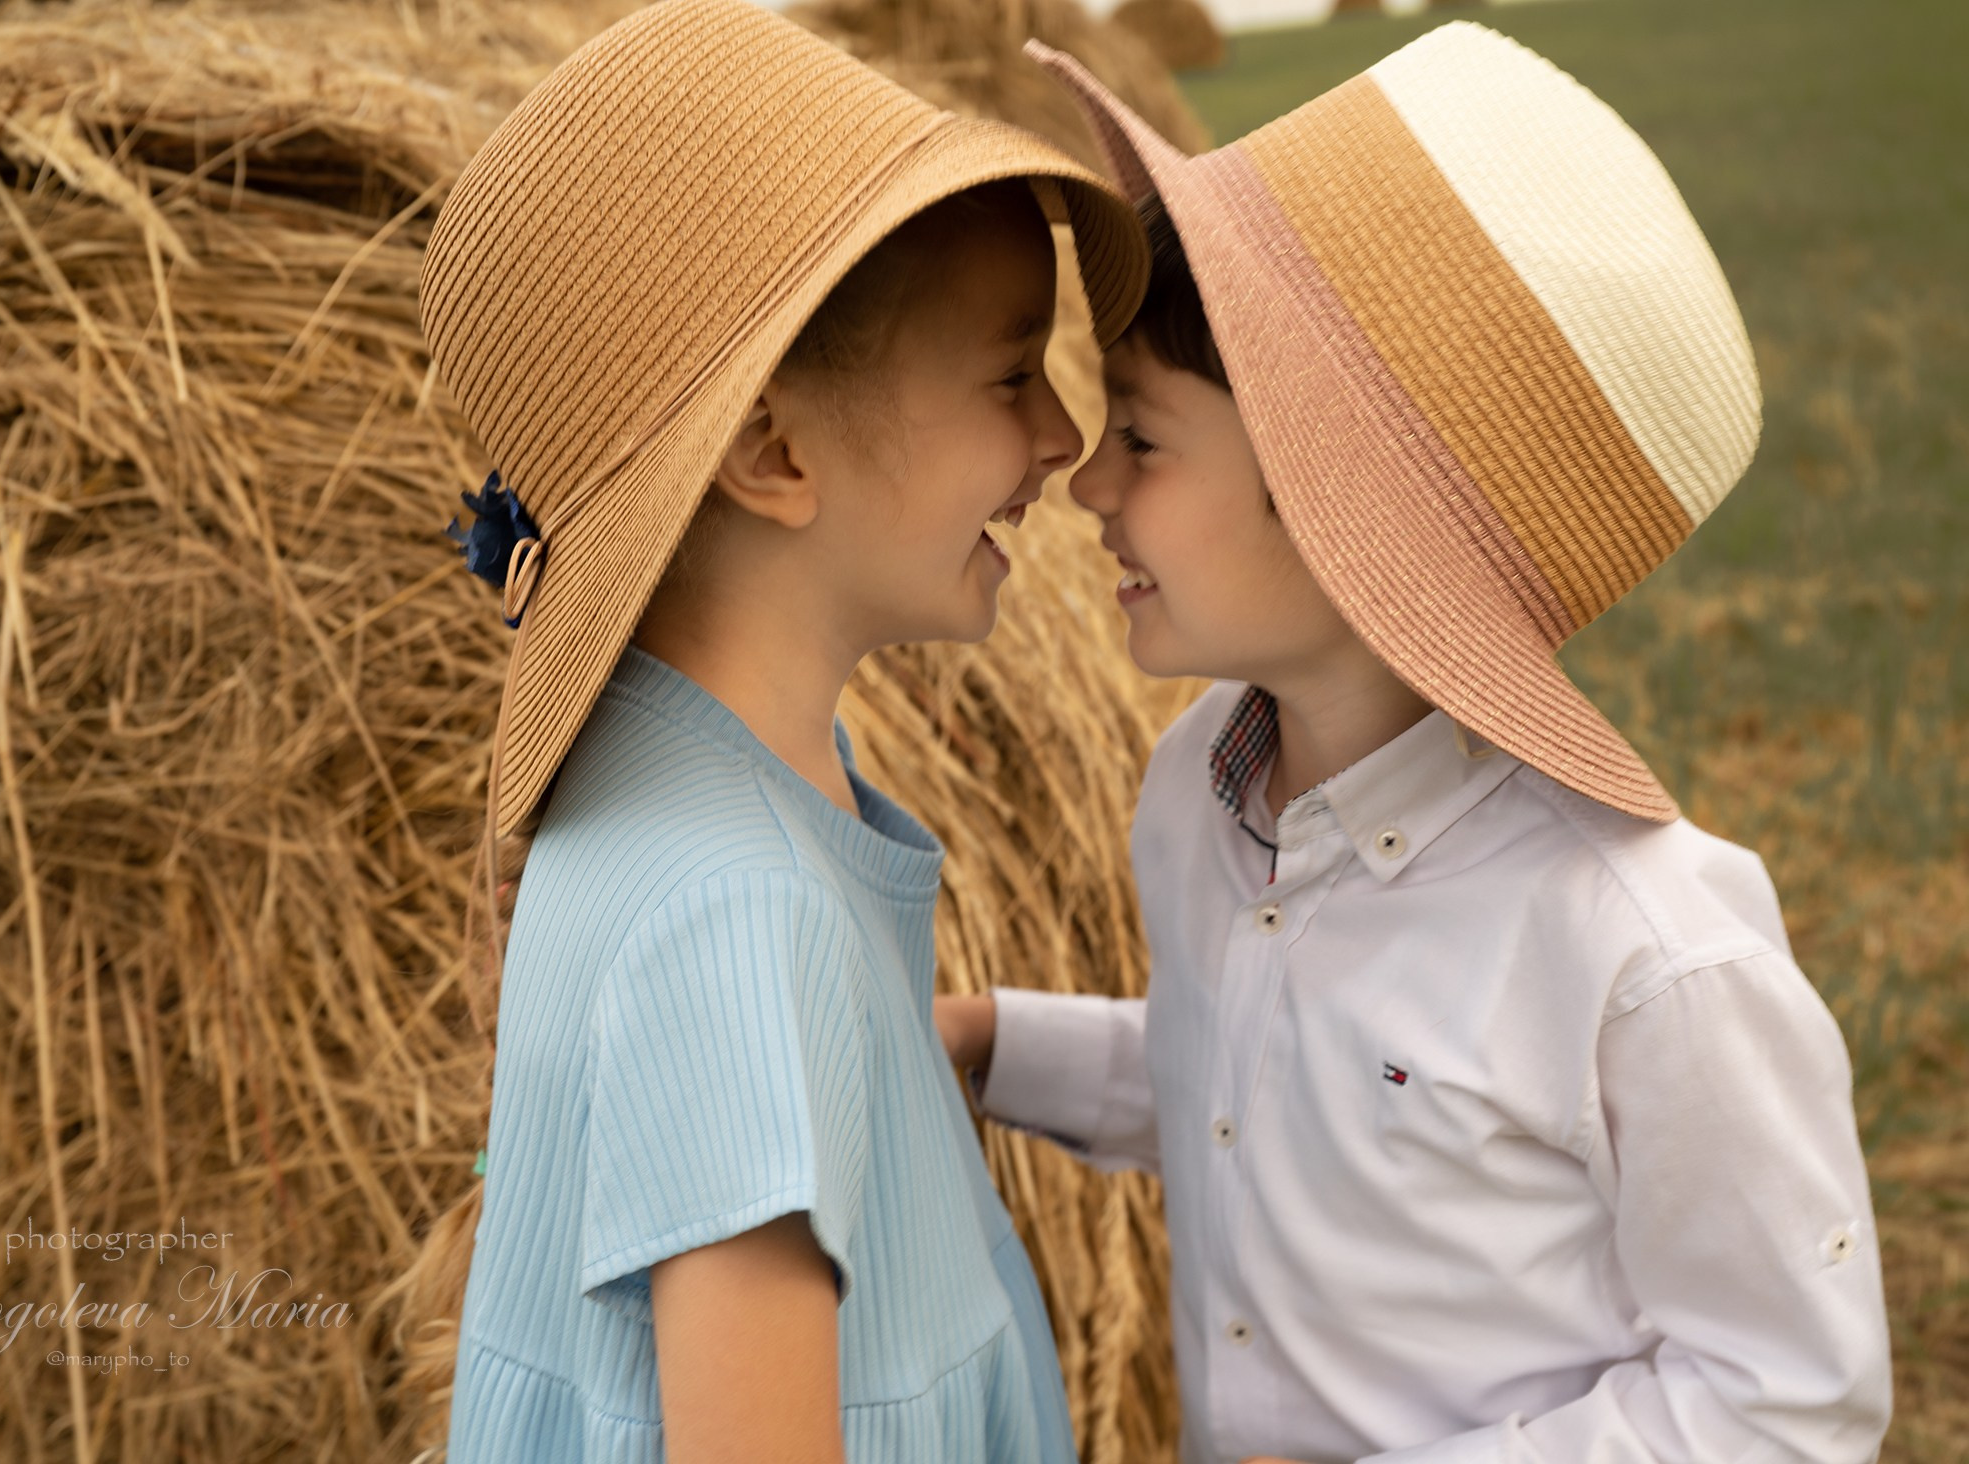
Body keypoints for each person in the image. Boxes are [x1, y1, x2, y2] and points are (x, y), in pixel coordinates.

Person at [935, 23, 1892, 1464]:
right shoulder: (1198, 795)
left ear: (1337, 511)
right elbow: (1250, 1086)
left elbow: (1788, 1399)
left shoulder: (1642, 959)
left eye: (1143, 433)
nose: (1085, 482)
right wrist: (1000, 1047)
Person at [405, 1, 1152, 1459]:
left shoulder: (697, 782)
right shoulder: (736, 923)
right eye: (1010, 376)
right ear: (771, 451)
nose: (1062, 442)